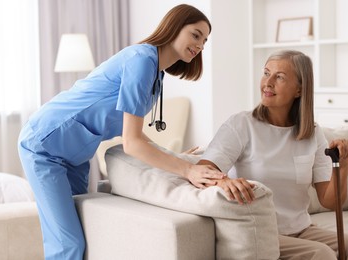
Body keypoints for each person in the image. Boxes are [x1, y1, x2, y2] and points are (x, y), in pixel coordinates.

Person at [18, 4, 225, 260]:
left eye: (205, 40)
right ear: (174, 27)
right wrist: (187, 169)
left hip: (76, 156)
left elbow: (133, 133)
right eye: (196, 35)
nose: (201, 45)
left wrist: (173, 156)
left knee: (87, 231)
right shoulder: (142, 60)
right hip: (44, 146)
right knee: (67, 244)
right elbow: (132, 143)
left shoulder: (156, 74)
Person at [198, 50, 348, 259]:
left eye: (279, 77)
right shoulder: (242, 124)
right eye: (266, 73)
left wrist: (342, 165)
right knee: (321, 253)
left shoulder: (312, 133)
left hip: (300, 229)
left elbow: (330, 201)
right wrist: (223, 181)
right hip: (258, 231)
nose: (267, 82)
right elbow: (202, 170)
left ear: (299, 90)